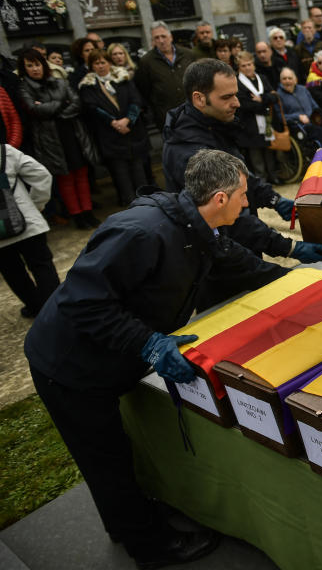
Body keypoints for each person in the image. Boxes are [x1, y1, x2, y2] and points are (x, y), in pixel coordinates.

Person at [24, 150, 289, 568]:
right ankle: (149, 546)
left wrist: (298, 279)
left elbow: (231, 258)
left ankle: (129, 517)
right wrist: (148, 342)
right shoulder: (141, 232)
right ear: (219, 198)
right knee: (105, 458)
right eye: (242, 195)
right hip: (69, 366)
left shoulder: (195, 226)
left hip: (106, 356)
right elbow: (82, 303)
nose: (247, 203)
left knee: (116, 456)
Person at [162, 59, 322, 266]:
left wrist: (274, 200)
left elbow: (240, 176)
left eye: (236, 94)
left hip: (239, 246)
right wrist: (290, 247)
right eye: (227, 97)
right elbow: (233, 220)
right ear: (199, 99)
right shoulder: (191, 152)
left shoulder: (215, 127)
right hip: (222, 258)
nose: (237, 103)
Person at [18, 50, 99, 229]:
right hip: (50, 140)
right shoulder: (24, 88)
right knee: (66, 178)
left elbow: (77, 103)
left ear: (44, 65)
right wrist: (62, 104)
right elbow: (34, 109)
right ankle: (77, 216)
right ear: (24, 69)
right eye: (29, 66)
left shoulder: (60, 82)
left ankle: (88, 212)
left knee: (81, 174)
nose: (35, 69)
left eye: (37, 64)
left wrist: (51, 109)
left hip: (73, 133)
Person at [78, 50, 150, 205]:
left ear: (109, 63)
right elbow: (92, 108)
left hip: (132, 133)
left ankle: (147, 203)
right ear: (91, 66)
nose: (101, 66)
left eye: (103, 62)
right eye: (96, 63)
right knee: (121, 174)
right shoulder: (88, 86)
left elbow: (136, 100)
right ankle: (131, 205)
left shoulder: (123, 79)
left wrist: (128, 120)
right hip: (110, 137)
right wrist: (113, 122)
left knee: (139, 172)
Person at [0, 143, 58, 318]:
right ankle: (55, 310)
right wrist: (37, 204)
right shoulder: (4, 151)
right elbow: (42, 175)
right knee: (41, 265)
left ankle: (35, 307)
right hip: (27, 222)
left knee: (12, 272)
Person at [134, 21, 196, 130]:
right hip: (167, 117)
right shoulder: (146, 62)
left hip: (193, 111)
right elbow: (144, 89)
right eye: (156, 38)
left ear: (171, 37)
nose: (161, 41)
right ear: (152, 41)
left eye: (163, 36)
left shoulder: (188, 54)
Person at [235, 51, 283, 183]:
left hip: (267, 121)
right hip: (250, 123)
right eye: (244, 66)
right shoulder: (237, 83)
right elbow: (244, 104)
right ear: (239, 67)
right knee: (256, 154)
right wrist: (264, 103)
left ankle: (273, 176)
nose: (247, 67)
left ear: (254, 64)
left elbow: (274, 96)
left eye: (249, 64)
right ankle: (261, 180)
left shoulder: (262, 78)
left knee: (269, 149)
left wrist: (261, 99)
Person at [277, 66, 322, 149]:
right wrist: (298, 117)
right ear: (280, 81)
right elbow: (280, 117)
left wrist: (318, 114)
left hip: (313, 119)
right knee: (318, 131)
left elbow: (314, 105)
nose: (287, 81)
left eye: (290, 78)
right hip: (300, 126)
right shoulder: (279, 96)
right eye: (284, 79)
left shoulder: (303, 89)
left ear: (295, 79)